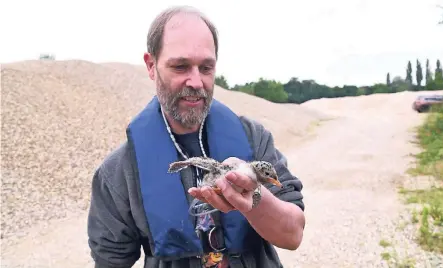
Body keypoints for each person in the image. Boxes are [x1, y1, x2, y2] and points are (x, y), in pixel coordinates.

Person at [87, 5, 305, 268]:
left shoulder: (253, 139)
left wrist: (254, 199)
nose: (196, 82)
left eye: (205, 68)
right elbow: (109, 261)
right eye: (180, 67)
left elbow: (293, 234)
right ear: (151, 65)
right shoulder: (118, 172)